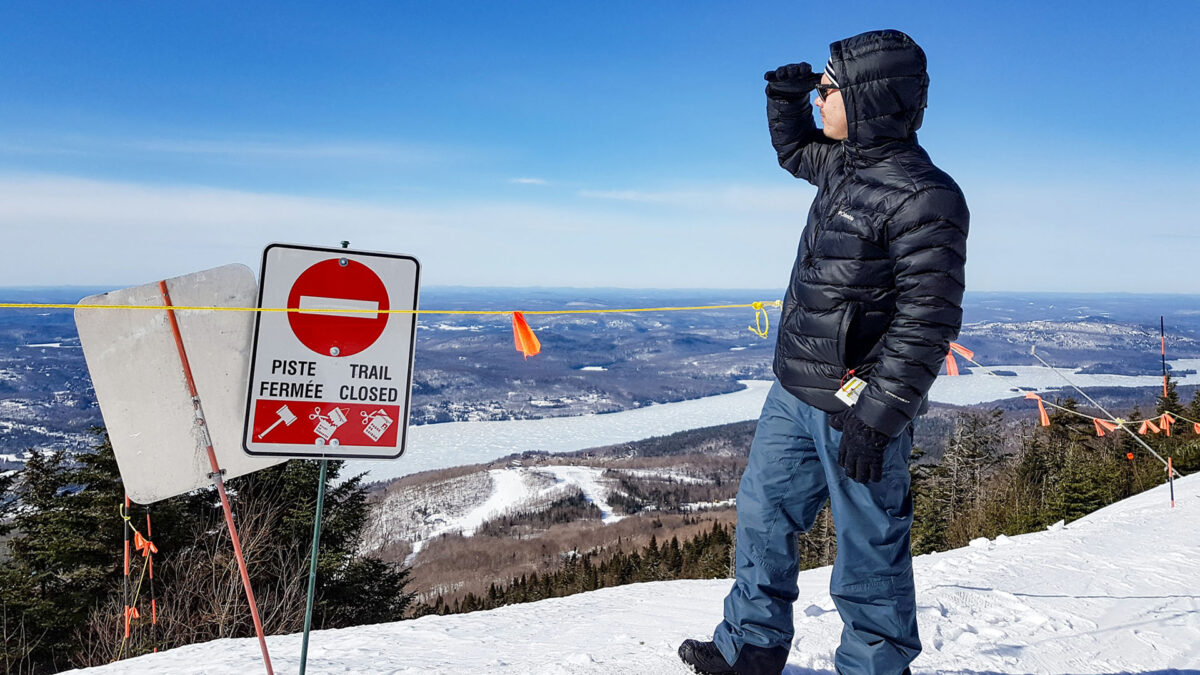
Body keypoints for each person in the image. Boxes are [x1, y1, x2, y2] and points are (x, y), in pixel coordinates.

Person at [678, 29, 969, 675]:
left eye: (827, 87)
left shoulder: (924, 194)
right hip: (794, 388)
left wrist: (880, 414)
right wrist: (784, 100)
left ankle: (873, 666)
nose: (819, 95)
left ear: (868, 97)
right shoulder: (842, 166)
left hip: (858, 406)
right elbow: (792, 151)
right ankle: (749, 646)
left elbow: (929, 318)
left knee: (869, 550)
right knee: (761, 518)